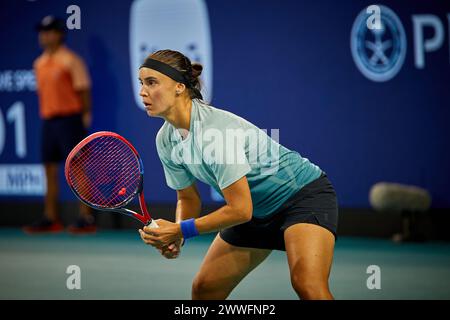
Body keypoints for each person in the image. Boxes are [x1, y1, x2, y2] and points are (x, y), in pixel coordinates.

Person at [138, 49, 338, 300]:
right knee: (205, 290)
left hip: (301, 198)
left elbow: (240, 210)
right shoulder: (166, 140)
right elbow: (187, 198)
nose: (142, 92)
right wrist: (177, 234)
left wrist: (181, 231)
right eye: (141, 83)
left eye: (151, 82)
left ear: (179, 87)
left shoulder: (215, 133)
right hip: (255, 212)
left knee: (307, 286)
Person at [23, 16, 95, 234]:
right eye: (42, 32)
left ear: (60, 34)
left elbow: (83, 91)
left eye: (50, 31)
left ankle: (86, 218)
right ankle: (50, 218)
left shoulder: (71, 60)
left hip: (70, 120)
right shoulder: (38, 63)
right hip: (49, 121)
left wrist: (84, 116)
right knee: (49, 170)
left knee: (77, 170)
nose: (44, 36)